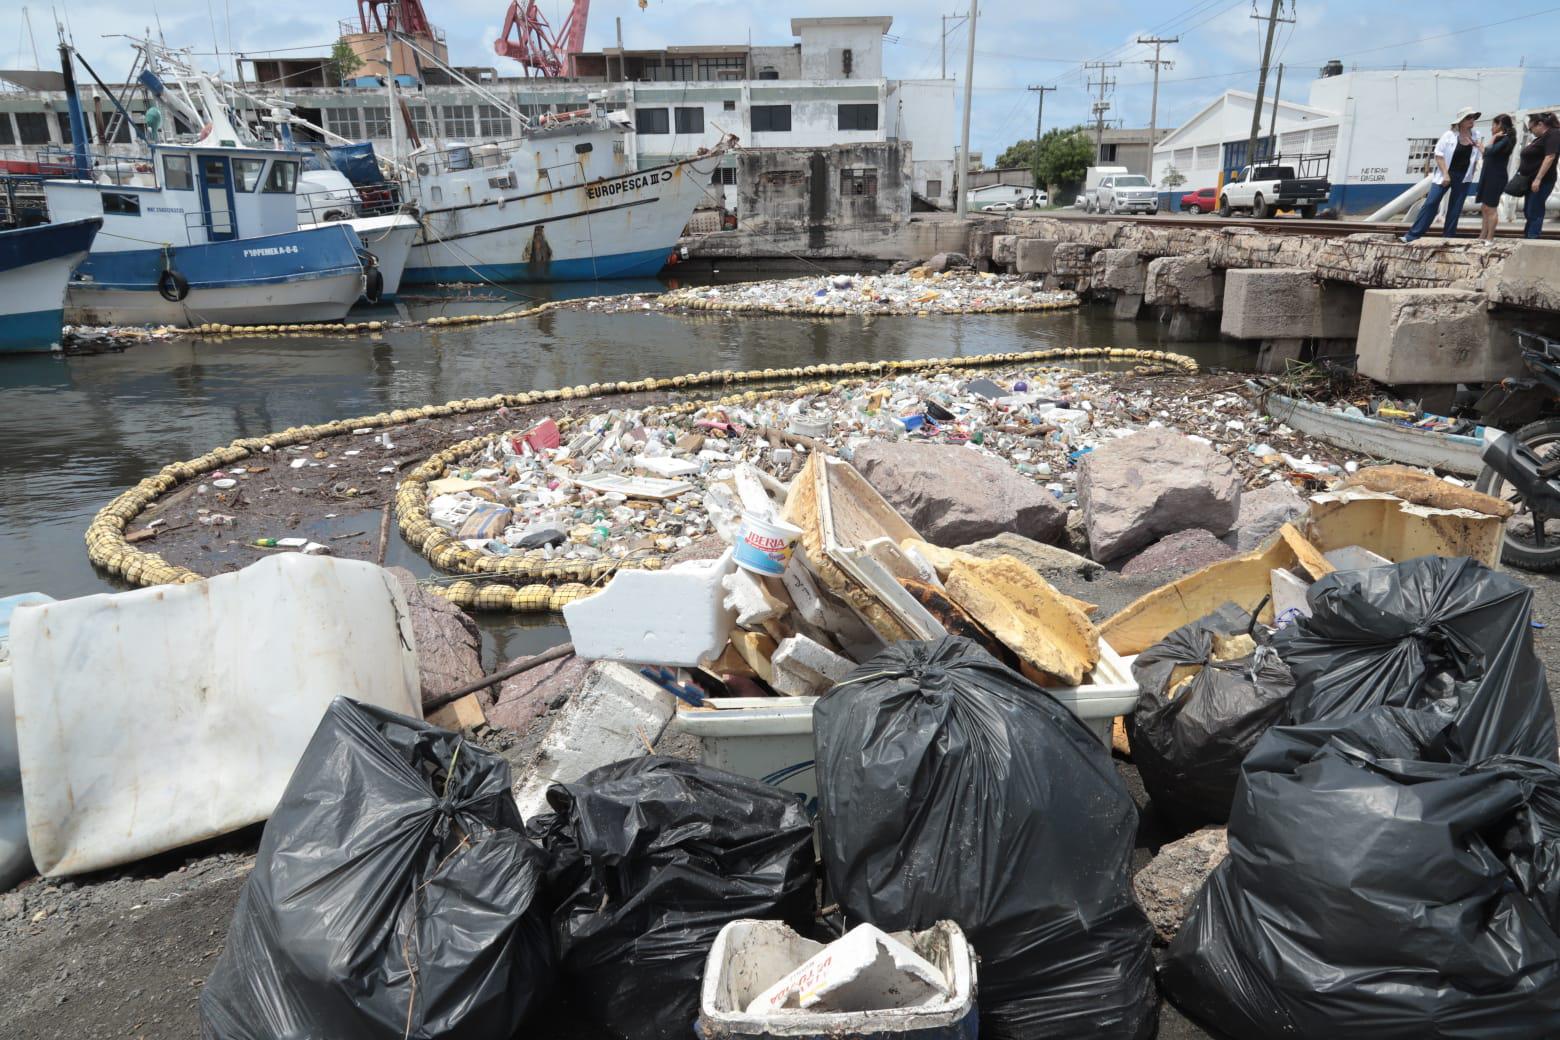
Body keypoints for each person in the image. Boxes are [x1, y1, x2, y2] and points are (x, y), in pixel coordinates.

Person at [1402, 106, 1482, 242]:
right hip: (1446, 173)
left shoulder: (1476, 135)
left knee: (1455, 208)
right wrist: (1445, 174)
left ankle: (1448, 237)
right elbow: (1439, 155)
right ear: (1461, 121)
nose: (1472, 120)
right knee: (1431, 203)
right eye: (1469, 117)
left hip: (1464, 176)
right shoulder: (1449, 135)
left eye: (1473, 117)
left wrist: (1472, 172)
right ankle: (1412, 235)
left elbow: (1476, 157)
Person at [1517, 112, 1560, 238]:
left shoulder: (1554, 134)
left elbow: (1550, 156)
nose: (1531, 132)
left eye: (1531, 129)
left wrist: (1538, 179)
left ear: (1540, 124)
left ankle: (1532, 237)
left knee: (1534, 209)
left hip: (1543, 180)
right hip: (1531, 180)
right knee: (1529, 210)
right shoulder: (1542, 138)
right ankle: (1528, 235)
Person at [1476, 114, 1516, 240]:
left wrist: (1492, 138)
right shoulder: (1500, 139)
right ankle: (1483, 235)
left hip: (1496, 177)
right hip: (1488, 176)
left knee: (1491, 208)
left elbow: (1489, 151)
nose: (1491, 128)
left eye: (1493, 124)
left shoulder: (1505, 139)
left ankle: (1489, 237)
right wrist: (1480, 147)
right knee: (1484, 207)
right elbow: (1487, 155)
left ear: (1500, 125)